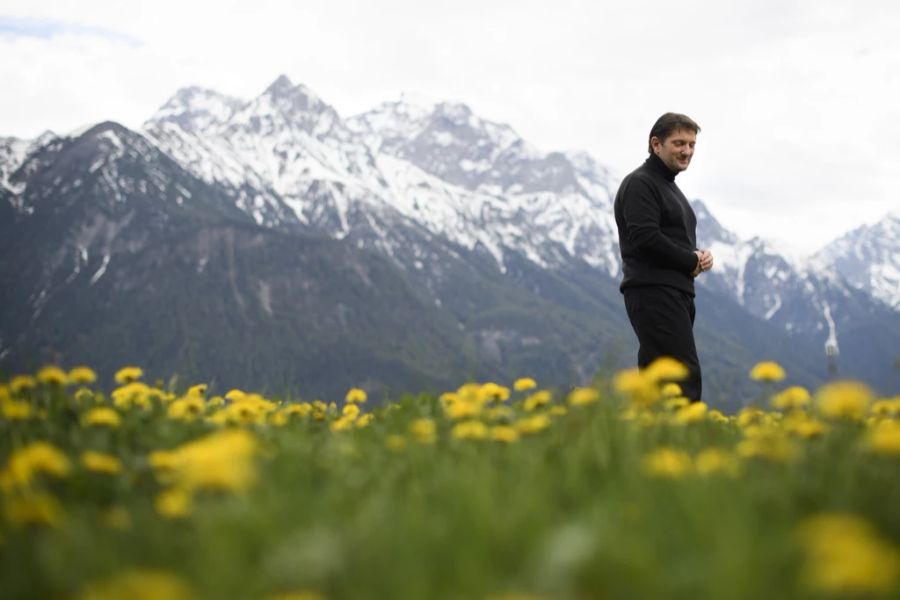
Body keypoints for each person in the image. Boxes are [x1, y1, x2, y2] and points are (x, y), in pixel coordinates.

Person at [613, 112, 713, 401]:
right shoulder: (640, 184)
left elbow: (672, 241)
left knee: (658, 376)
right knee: (682, 375)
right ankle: (682, 441)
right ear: (656, 144)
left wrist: (699, 258)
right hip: (654, 291)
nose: (687, 151)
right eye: (679, 143)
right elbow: (645, 238)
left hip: (674, 293)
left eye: (692, 145)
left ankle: (647, 438)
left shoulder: (669, 187)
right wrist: (690, 260)